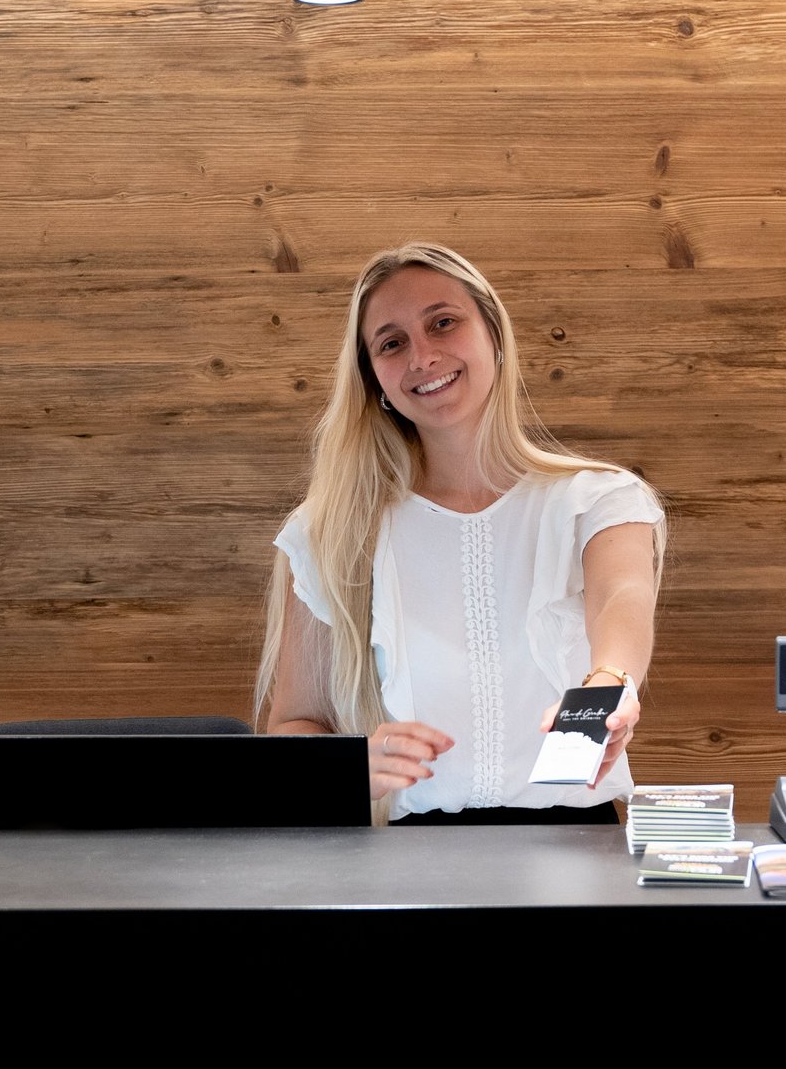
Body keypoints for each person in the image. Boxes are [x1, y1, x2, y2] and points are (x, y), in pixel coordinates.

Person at [255, 242, 666, 824]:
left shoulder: (598, 499)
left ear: (494, 335)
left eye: (443, 323)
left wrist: (610, 687)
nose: (422, 356)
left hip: (577, 852)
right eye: (392, 343)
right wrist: (344, 764)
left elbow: (621, 599)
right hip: (410, 861)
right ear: (374, 377)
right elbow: (295, 721)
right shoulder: (330, 531)